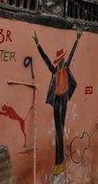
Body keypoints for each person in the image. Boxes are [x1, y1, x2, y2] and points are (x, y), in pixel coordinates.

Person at [34, 29, 82, 175]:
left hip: (63, 99)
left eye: (61, 61)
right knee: (58, 132)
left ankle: (60, 162)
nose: (60, 63)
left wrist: (77, 40)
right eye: (59, 61)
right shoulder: (54, 71)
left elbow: (72, 54)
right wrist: (38, 45)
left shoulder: (66, 69)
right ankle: (58, 162)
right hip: (56, 101)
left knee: (60, 130)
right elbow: (46, 59)